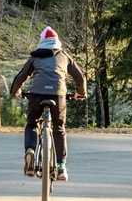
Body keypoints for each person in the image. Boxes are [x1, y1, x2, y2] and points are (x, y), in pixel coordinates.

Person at [10, 26, 86, 181]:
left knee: (32, 124)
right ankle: (61, 167)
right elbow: (80, 78)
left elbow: (21, 76)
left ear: (41, 41)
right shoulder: (64, 56)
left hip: (36, 95)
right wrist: (81, 94)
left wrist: (15, 92)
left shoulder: (35, 57)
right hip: (58, 95)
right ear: (57, 41)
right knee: (59, 128)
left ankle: (30, 150)